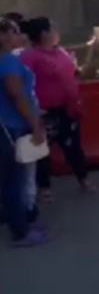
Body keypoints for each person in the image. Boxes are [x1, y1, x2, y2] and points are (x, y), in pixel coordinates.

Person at [20, 17, 95, 200]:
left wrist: (79, 69)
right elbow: (23, 83)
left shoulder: (60, 52)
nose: (57, 31)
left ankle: (83, 179)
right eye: (53, 28)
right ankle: (45, 188)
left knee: (73, 146)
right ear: (44, 33)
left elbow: (72, 71)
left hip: (67, 107)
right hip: (44, 111)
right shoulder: (30, 57)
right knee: (42, 150)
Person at [0, 17, 50, 247]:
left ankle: (23, 222)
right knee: (14, 182)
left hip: (10, 125)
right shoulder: (8, 61)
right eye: (14, 31)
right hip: (12, 127)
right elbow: (18, 97)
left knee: (14, 181)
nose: (19, 36)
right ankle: (20, 231)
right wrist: (34, 124)